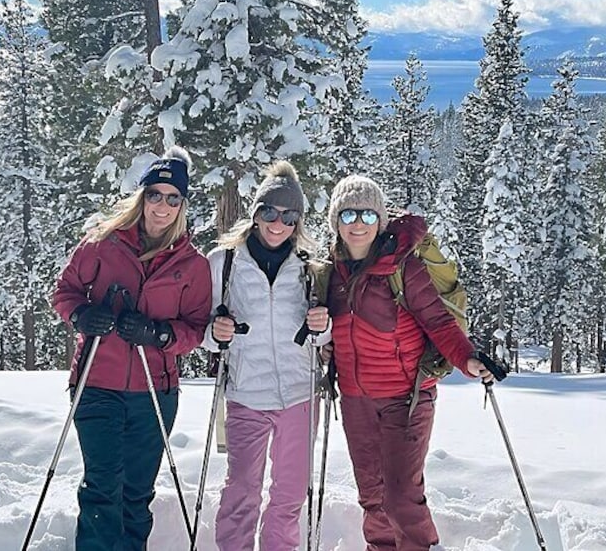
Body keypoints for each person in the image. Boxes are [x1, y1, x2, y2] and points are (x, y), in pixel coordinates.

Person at [52, 146, 211, 551]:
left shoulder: (191, 264)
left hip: (154, 392)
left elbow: (194, 330)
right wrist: (82, 317)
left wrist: (158, 335)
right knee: (103, 489)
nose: (162, 205)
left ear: (182, 204)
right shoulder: (102, 243)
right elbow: (65, 292)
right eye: (155, 195)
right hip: (97, 384)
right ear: (142, 197)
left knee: (136, 494)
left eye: (172, 198)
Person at [324, 175, 492, 551]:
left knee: (401, 497)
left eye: (368, 216)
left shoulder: (403, 267)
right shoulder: (329, 273)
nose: (357, 224)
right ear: (335, 221)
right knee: (372, 497)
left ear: (381, 221)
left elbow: (438, 321)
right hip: (355, 402)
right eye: (348, 214)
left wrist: (468, 359)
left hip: (407, 399)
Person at [204, 160, 331, 551]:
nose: (279, 224)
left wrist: (322, 326)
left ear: (299, 222)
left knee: (290, 495)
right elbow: (205, 332)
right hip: (246, 393)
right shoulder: (222, 263)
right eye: (271, 213)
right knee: (242, 490)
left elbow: (327, 335)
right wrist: (215, 332)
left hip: (300, 393)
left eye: (290, 216)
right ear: (256, 213)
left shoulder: (311, 268)